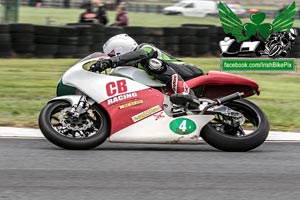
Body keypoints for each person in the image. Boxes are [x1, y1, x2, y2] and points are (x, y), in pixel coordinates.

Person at [94, 34, 204, 109]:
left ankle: (188, 95)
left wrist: (111, 61)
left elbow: (141, 54)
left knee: (152, 63)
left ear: (120, 50)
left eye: (111, 55)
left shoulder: (144, 48)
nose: (110, 57)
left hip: (188, 72)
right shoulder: (131, 66)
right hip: (168, 85)